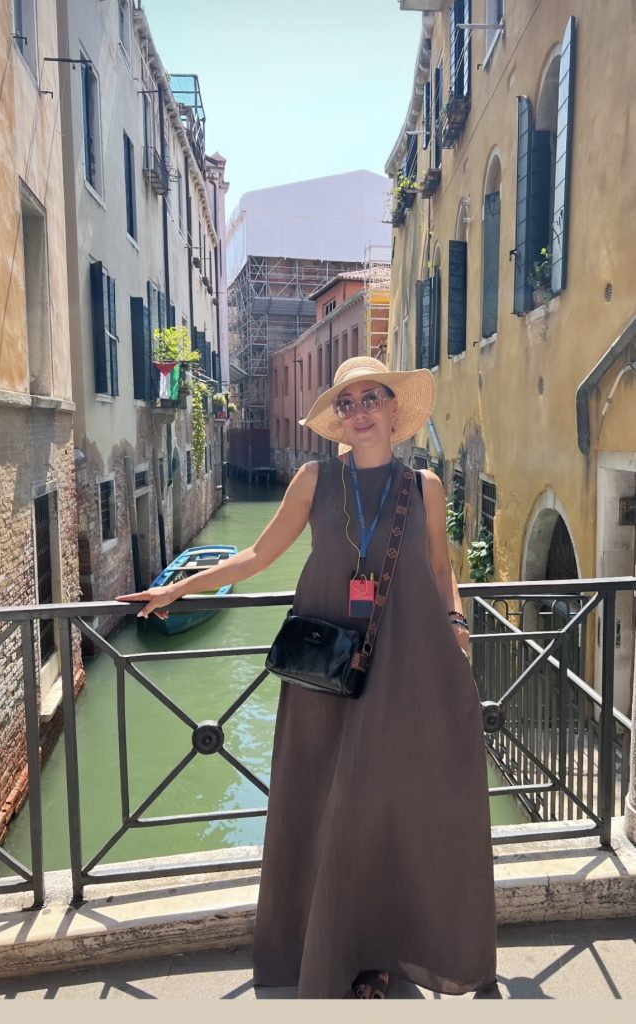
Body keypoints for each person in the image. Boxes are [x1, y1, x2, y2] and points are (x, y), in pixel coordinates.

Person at [117, 356, 497, 999]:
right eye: (347, 403)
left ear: (393, 408)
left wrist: (456, 621)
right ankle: (329, 947)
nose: (360, 411)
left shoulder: (425, 487)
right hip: (325, 668)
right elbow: (257, 554)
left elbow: (440, 568)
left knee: (386, 802)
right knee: (328, 798)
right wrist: (178, 588)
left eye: (371, 398)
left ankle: (380, 949)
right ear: (338, 420)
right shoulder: (314, 479)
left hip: (404, 664)